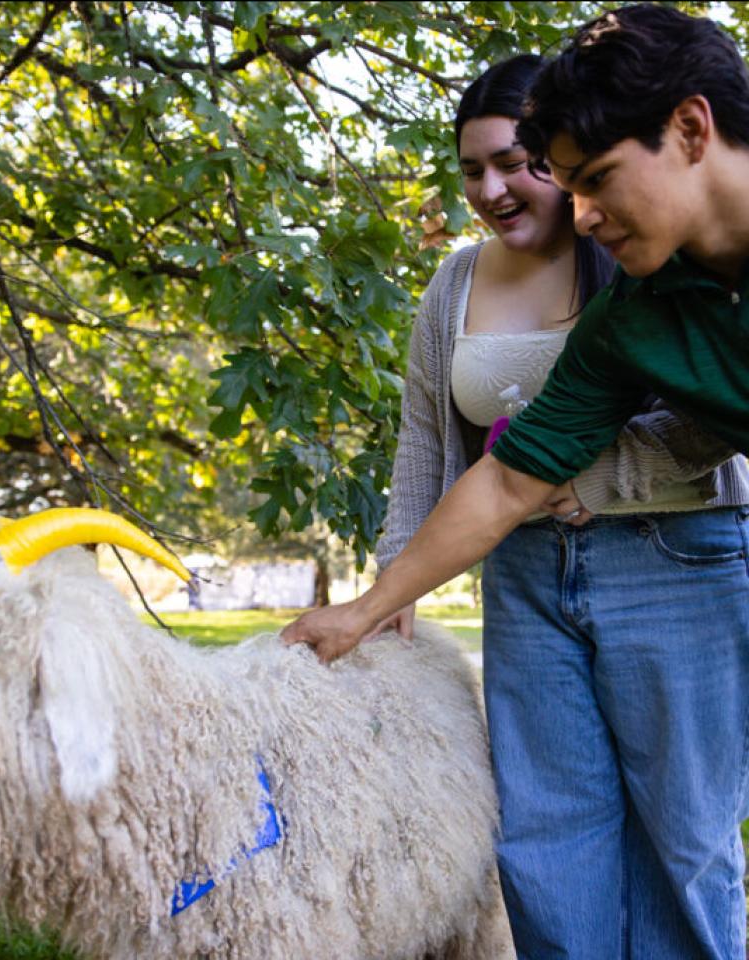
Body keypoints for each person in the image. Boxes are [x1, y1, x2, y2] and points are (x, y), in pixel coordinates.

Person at [282, 9, 749, 957]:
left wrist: (618, 480)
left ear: (691, 130)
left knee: (685, 842)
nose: (579, 214)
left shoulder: (631, 285)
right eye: (565, 185)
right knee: (545, 835)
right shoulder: (639, 314)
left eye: (593, 180)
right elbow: (501, 481)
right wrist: (370, 604)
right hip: (531, 575)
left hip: (674, 558)